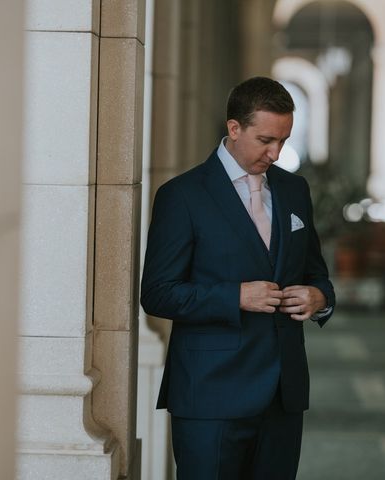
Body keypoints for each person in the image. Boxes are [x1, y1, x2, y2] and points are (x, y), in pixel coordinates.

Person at [140, 76, 335, 479]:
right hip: (211, 396)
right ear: (234, 128)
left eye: (283, 140)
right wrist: (235, 297)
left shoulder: (295, 190)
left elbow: (317, 271)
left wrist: (319, 297)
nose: (276, 152)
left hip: (283, 396)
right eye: (266, 140)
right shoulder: (183, 195)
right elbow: (157, 293)